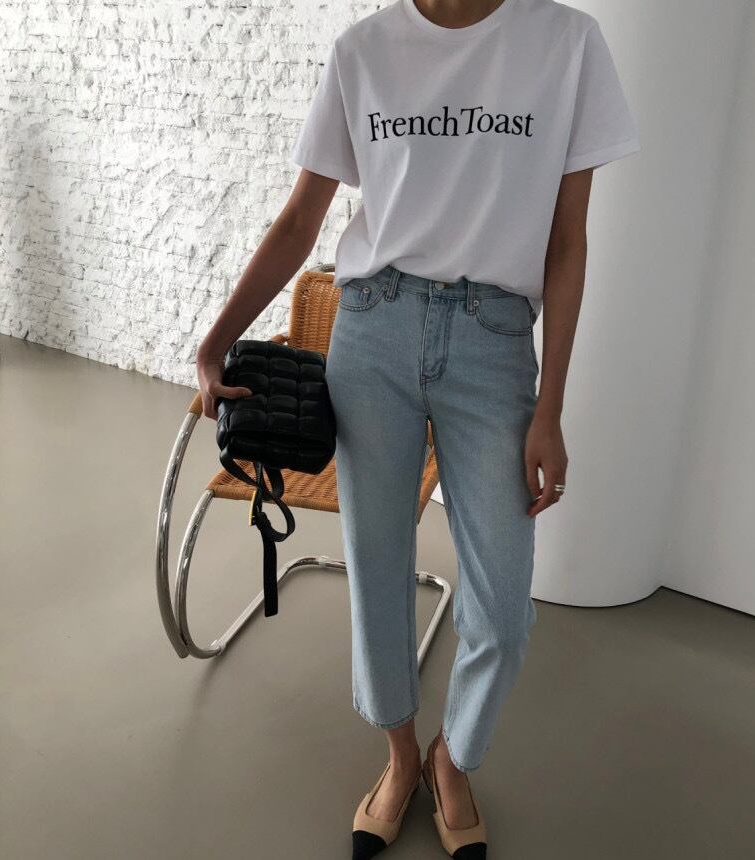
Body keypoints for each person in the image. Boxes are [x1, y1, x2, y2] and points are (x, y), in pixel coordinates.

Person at [195, 1, 640, 856]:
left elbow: (567, 239)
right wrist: (216, 340)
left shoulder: (566, 43)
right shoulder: (364, 50)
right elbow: (301, 219)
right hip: (374, 330)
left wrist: (551, 408)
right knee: (376, 569)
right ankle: (401, 757)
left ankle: (453, 756)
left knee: (503, 608)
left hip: (493, 341)